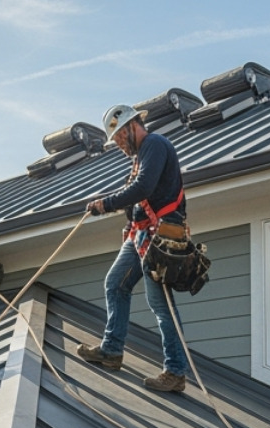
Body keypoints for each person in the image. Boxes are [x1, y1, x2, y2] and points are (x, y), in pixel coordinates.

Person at [78, 103, 190, 393]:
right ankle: (112, 350)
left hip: (160, 237)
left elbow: (143, 187)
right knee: (115, 284)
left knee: (160, 305)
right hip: (141, 236)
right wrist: (121, 209)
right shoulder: (141, 156)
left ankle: (175, 371)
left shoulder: (154, 144)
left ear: (130, 126)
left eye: (118, 137)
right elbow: (137, 194)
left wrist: (107, 203)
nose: (117, 144)